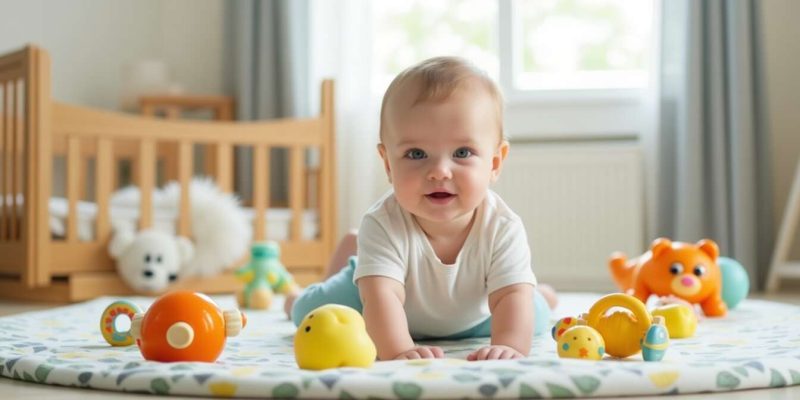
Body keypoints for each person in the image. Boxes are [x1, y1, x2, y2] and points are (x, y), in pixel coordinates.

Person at [286, 56, 557, 361]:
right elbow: (381, 296)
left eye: (462, 152)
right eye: (416, 154)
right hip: (378, 304)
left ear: (494, 163)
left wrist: (508, 348)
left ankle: (543, 294)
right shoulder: (383, 223)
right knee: (311, 315)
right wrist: (399, 350)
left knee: (531, 313)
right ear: (388, 164)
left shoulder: (502, 226)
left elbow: (509, 296)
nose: (440, 171)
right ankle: (330, 274)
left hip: (475, 313)